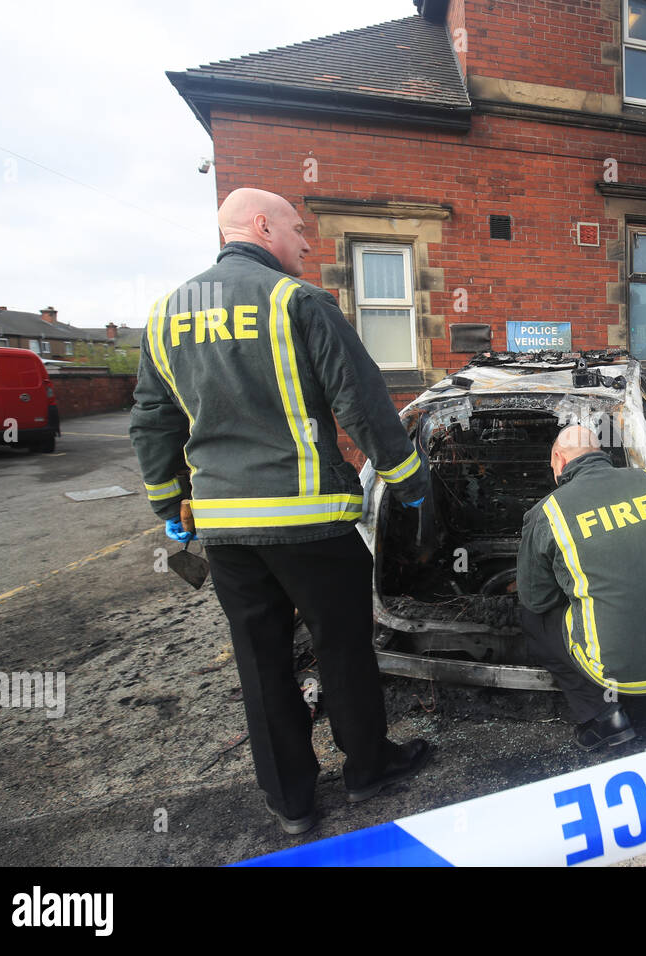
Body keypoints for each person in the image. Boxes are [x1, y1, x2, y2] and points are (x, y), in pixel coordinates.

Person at [130, 188, 432, 835]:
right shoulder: (297, 302)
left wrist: (167, 501)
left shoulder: (165, 315)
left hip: (226, 530)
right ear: (261, 226)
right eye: (298, 229)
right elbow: (362, 401)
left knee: (261, 660)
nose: (305, 242)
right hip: (310, 522)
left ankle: (291, 801)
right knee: (343, 648)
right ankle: (367, 769)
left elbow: (152, 418)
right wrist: (410, 482)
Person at [516, 425, 646, 748]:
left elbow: (536, 598)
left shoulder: (548, 513)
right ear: (600, 453)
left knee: (534, 619)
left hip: (610, 672)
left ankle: (605, 716)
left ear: (559, 459)